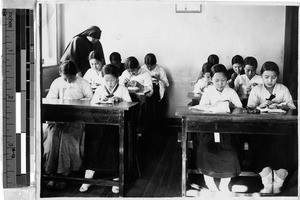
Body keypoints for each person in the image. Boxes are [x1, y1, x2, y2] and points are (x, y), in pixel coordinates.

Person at [79, 64, 132, 193]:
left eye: (112, 81)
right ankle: (89, 177)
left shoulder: (122, 89)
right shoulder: (100, 89)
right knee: (92, 140)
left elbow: (130, 105)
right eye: (106, 80)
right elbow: (93, 105)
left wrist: (120, 100)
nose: (109, 83)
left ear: (118, 79)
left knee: (112, 142)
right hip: (100, 123)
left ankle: (115, 177)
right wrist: (100, 101)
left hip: (117, 125)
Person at [247, 61, 296, 194]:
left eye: (273, 77)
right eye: (266, 77)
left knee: (287, 145)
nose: (270, 80)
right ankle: (267, 180)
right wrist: (261, 106)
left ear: (277, 76)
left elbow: (292, 107)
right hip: (261, 128)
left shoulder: (283, 89)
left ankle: (279, 181)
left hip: (281, 128)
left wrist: (281, 106)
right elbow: (249, 109)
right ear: (261, 76)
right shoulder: (256, 89)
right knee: (258, 144)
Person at [43, 60, 93, 189]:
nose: (68, 81)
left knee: (66, 140)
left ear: (75, 74)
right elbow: (50, 99)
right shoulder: (57, 82)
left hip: (77, 119)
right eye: (65, 78)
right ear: (61, 74)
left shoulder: (83, 83)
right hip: (59, 119)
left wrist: (78, 101)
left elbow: (91, 99)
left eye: (71, 78)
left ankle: (64, 174)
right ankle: (52, 175)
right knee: (52, 139)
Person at [194, 64, 242, 192]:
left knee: (230, 152)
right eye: (216, 80)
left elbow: (240, 109)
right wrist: (212, 107)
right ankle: (209, 182)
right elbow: (202, 108)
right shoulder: (208, 91)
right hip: (210, 129)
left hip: (227, 130)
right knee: (204, 149)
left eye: (223, 80)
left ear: (227, 80)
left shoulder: (231, 92)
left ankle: (224, 184)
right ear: (211, 80)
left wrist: (230, 105)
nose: (220, 83)